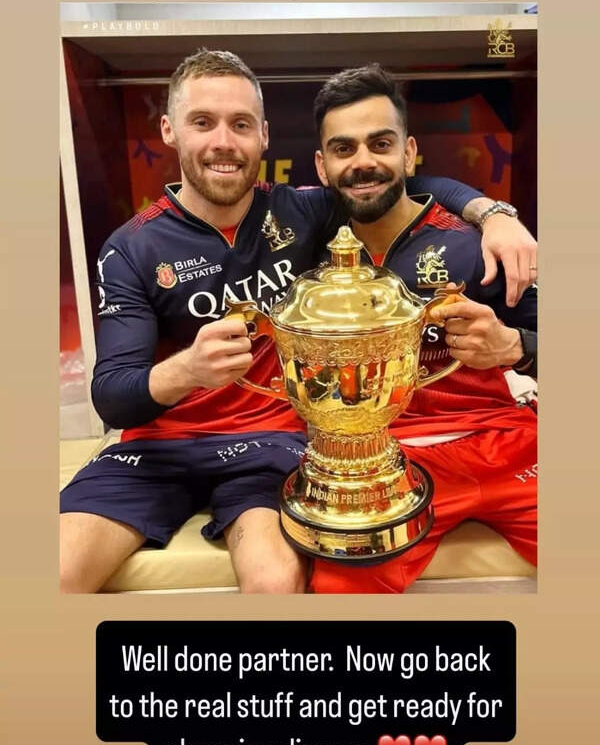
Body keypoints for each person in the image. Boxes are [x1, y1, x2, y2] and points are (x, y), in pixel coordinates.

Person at [60, 49, 537, 594]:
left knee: (275, 582)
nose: (223, 142)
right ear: (169, 130)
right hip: (154, 449)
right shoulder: (130, 247)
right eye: (202, 122)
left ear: (263, 136)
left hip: (269, 444)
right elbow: (112, 398)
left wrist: (493, 214)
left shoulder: (303, 211)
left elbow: (398, 184)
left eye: (241, 124)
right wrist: (187, 369)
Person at [309, 64, 537, 594]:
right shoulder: (302, 241)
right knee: (337, 590)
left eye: (381, 144)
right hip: (379, 463)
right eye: (344, 149)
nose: (363, 162)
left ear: (409, 153)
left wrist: (514, 345)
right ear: (322, 166)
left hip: (504, 441)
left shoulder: (481, 246)